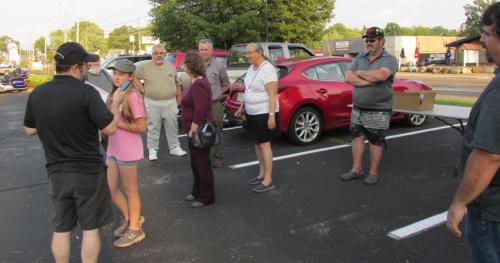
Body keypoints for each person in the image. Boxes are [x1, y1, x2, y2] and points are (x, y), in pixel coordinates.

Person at [23, 42, 124, 263]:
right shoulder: (86, 92)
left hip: (57, 172)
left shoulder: (38, 93)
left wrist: (54, 119)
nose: (88, 70)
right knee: (90, 229)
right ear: (76, 67)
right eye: (86, 66)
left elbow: (29, 129)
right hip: (88, 172)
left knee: (61, 229)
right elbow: (109, 128)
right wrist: (115, 105)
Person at [447, 3, 500, 262]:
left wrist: (459, 203)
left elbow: (489, 156)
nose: (482, 40)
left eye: (488, 34)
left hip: (492, 213)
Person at [339, 27, 398, 185]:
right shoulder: (360, 57)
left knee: (375, 140)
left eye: (372, 40)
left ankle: (373, 172)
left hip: (379, 109)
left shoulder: (389, 60)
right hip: (358, 107)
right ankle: (356, 170)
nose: (368, 43)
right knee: (357, 137)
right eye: (367, 40)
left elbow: (381, 75)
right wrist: (368, 80)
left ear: (381, 41)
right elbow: (348, 77)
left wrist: (360, 73)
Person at [105, 59, 147, 247]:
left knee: (131, 191)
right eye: (115, 73)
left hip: (128, 150)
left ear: (131, 76)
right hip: (113, 148)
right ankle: (131, 219)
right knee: (110, 189)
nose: (116, 77)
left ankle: (136, 230)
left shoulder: (132, 97)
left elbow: (141, 127)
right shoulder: (116, 93)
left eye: (121, 74)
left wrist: (116, 123)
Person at [235, 43, 279, 193]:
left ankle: (268, 179)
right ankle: (261, 173)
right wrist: (242, 105)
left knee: (264, 144)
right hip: (252, 111)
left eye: (250, 53)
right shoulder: (251, 68)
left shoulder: (268, 69)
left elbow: (273, 94)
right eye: (246, 53)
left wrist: (271, 116)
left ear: (260, 53)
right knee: (257, 143)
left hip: (264, 112)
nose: (247, 55)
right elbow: (248, 89)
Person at [134, 44, 186, 161]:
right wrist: (141, 89)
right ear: (152, 55)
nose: (159, 55)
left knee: (173, 125)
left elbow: (177, 82)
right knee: (153, 126)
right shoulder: (145, 67)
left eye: (161, 53)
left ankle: (174, 147)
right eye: (156, 53)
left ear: (164, 54)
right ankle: (152, 150)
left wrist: (179, 98)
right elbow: (134, 77)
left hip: (170, 101)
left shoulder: (171, 67)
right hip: (152, 102)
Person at [180, 53, 215, 208]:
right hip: (193, 129)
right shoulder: (197, 81)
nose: (182, 66)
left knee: (202, 164)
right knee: (196, 163)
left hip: (198, 130)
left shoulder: (199, 83)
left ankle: (206, 196)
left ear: (190, 66)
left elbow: (200, 110)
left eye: (184, 64)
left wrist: (193, 129)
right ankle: (197, 191)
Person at [198, 39, 230, 168]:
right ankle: (203, 159)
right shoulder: (195, 65)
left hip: (214, 105)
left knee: (217, 132)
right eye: (201, 49)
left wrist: (216, 93)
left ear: (211, 50)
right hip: (199, 106)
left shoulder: (219, 66)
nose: (203, 52)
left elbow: (226, 84)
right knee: (200, 132)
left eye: (206, 49)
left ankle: (217, 159)